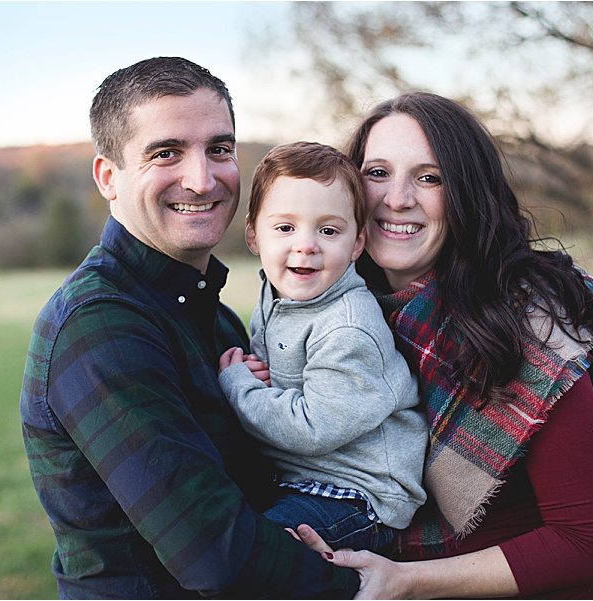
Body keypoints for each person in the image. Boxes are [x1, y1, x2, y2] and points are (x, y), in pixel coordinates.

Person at [297, 92, 593, 599]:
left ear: (466, 195)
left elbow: (584, 543)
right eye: (377, 173)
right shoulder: (340, 318)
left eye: (429, 178)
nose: (397, 198)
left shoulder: (523, 321)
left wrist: (407, 581)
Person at [18, 57, 358, 599]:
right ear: (109, 177)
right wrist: (372, 582)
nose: (201, 180)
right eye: (165, 153)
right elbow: (219, 557)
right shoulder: (100, 325)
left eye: (219, 149)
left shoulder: (213, 315)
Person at [217, 141, 428, 552]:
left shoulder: (348, 327)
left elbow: (313, 428)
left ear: (356, 244)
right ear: (253, 235)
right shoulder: (281, 293)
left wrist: (238, 386)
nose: (306, 244)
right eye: (285, 228)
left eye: (328, 231)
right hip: (297, 478)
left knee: (254, 556)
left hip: (358, 495)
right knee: (208, 532)